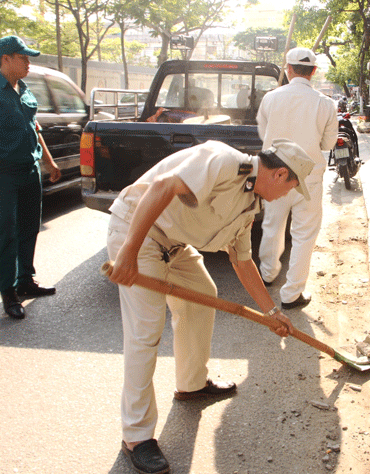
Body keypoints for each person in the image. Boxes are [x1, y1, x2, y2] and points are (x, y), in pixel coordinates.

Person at [107, 138, 313, 474]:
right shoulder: (224, 161)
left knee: (203, 293)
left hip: (173, 243)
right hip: (139, 232)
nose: (289, 194)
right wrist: (128, 252)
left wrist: (271, 312)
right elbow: (162, 187)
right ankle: (136, 436)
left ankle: (191, 385)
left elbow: (241, 260)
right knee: (145, 331)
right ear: (280, 175)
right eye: (292, 186)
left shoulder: (251, 204)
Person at [0, 36, 60, 320]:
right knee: (5, 231)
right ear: (5, 59)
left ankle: (25, 281)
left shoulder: (25, 89)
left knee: (29, 227)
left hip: (29, 171)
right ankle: (8, 291)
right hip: (3, 174)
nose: (28, 63)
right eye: (23, 58)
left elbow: (33, 128)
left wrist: (49, 161)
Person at [256, 47, 338, 310]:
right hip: (308, 176)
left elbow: (263, 133)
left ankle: (268, 275)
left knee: (272, 225)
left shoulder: (270, 98)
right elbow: (329, 143)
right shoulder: (325, 103)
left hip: (274, 174)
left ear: (288, 69)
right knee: (304, 235)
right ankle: (291, 294)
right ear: (313, 72)